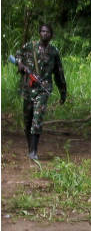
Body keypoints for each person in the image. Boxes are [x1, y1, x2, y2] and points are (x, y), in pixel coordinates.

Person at [15, 23, 67, 160]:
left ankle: (34, 151)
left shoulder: (54, 52)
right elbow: (18, 54)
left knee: (37, 119)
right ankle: (30, 148)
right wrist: (20, 64)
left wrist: (63, 92)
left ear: (51, 35)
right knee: (27, 120)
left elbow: (59, 73)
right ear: (39, 33)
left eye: (47, 32)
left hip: (43, 89)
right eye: (43, 31)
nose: (45, 34)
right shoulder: (30, 46)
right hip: (27, 88)